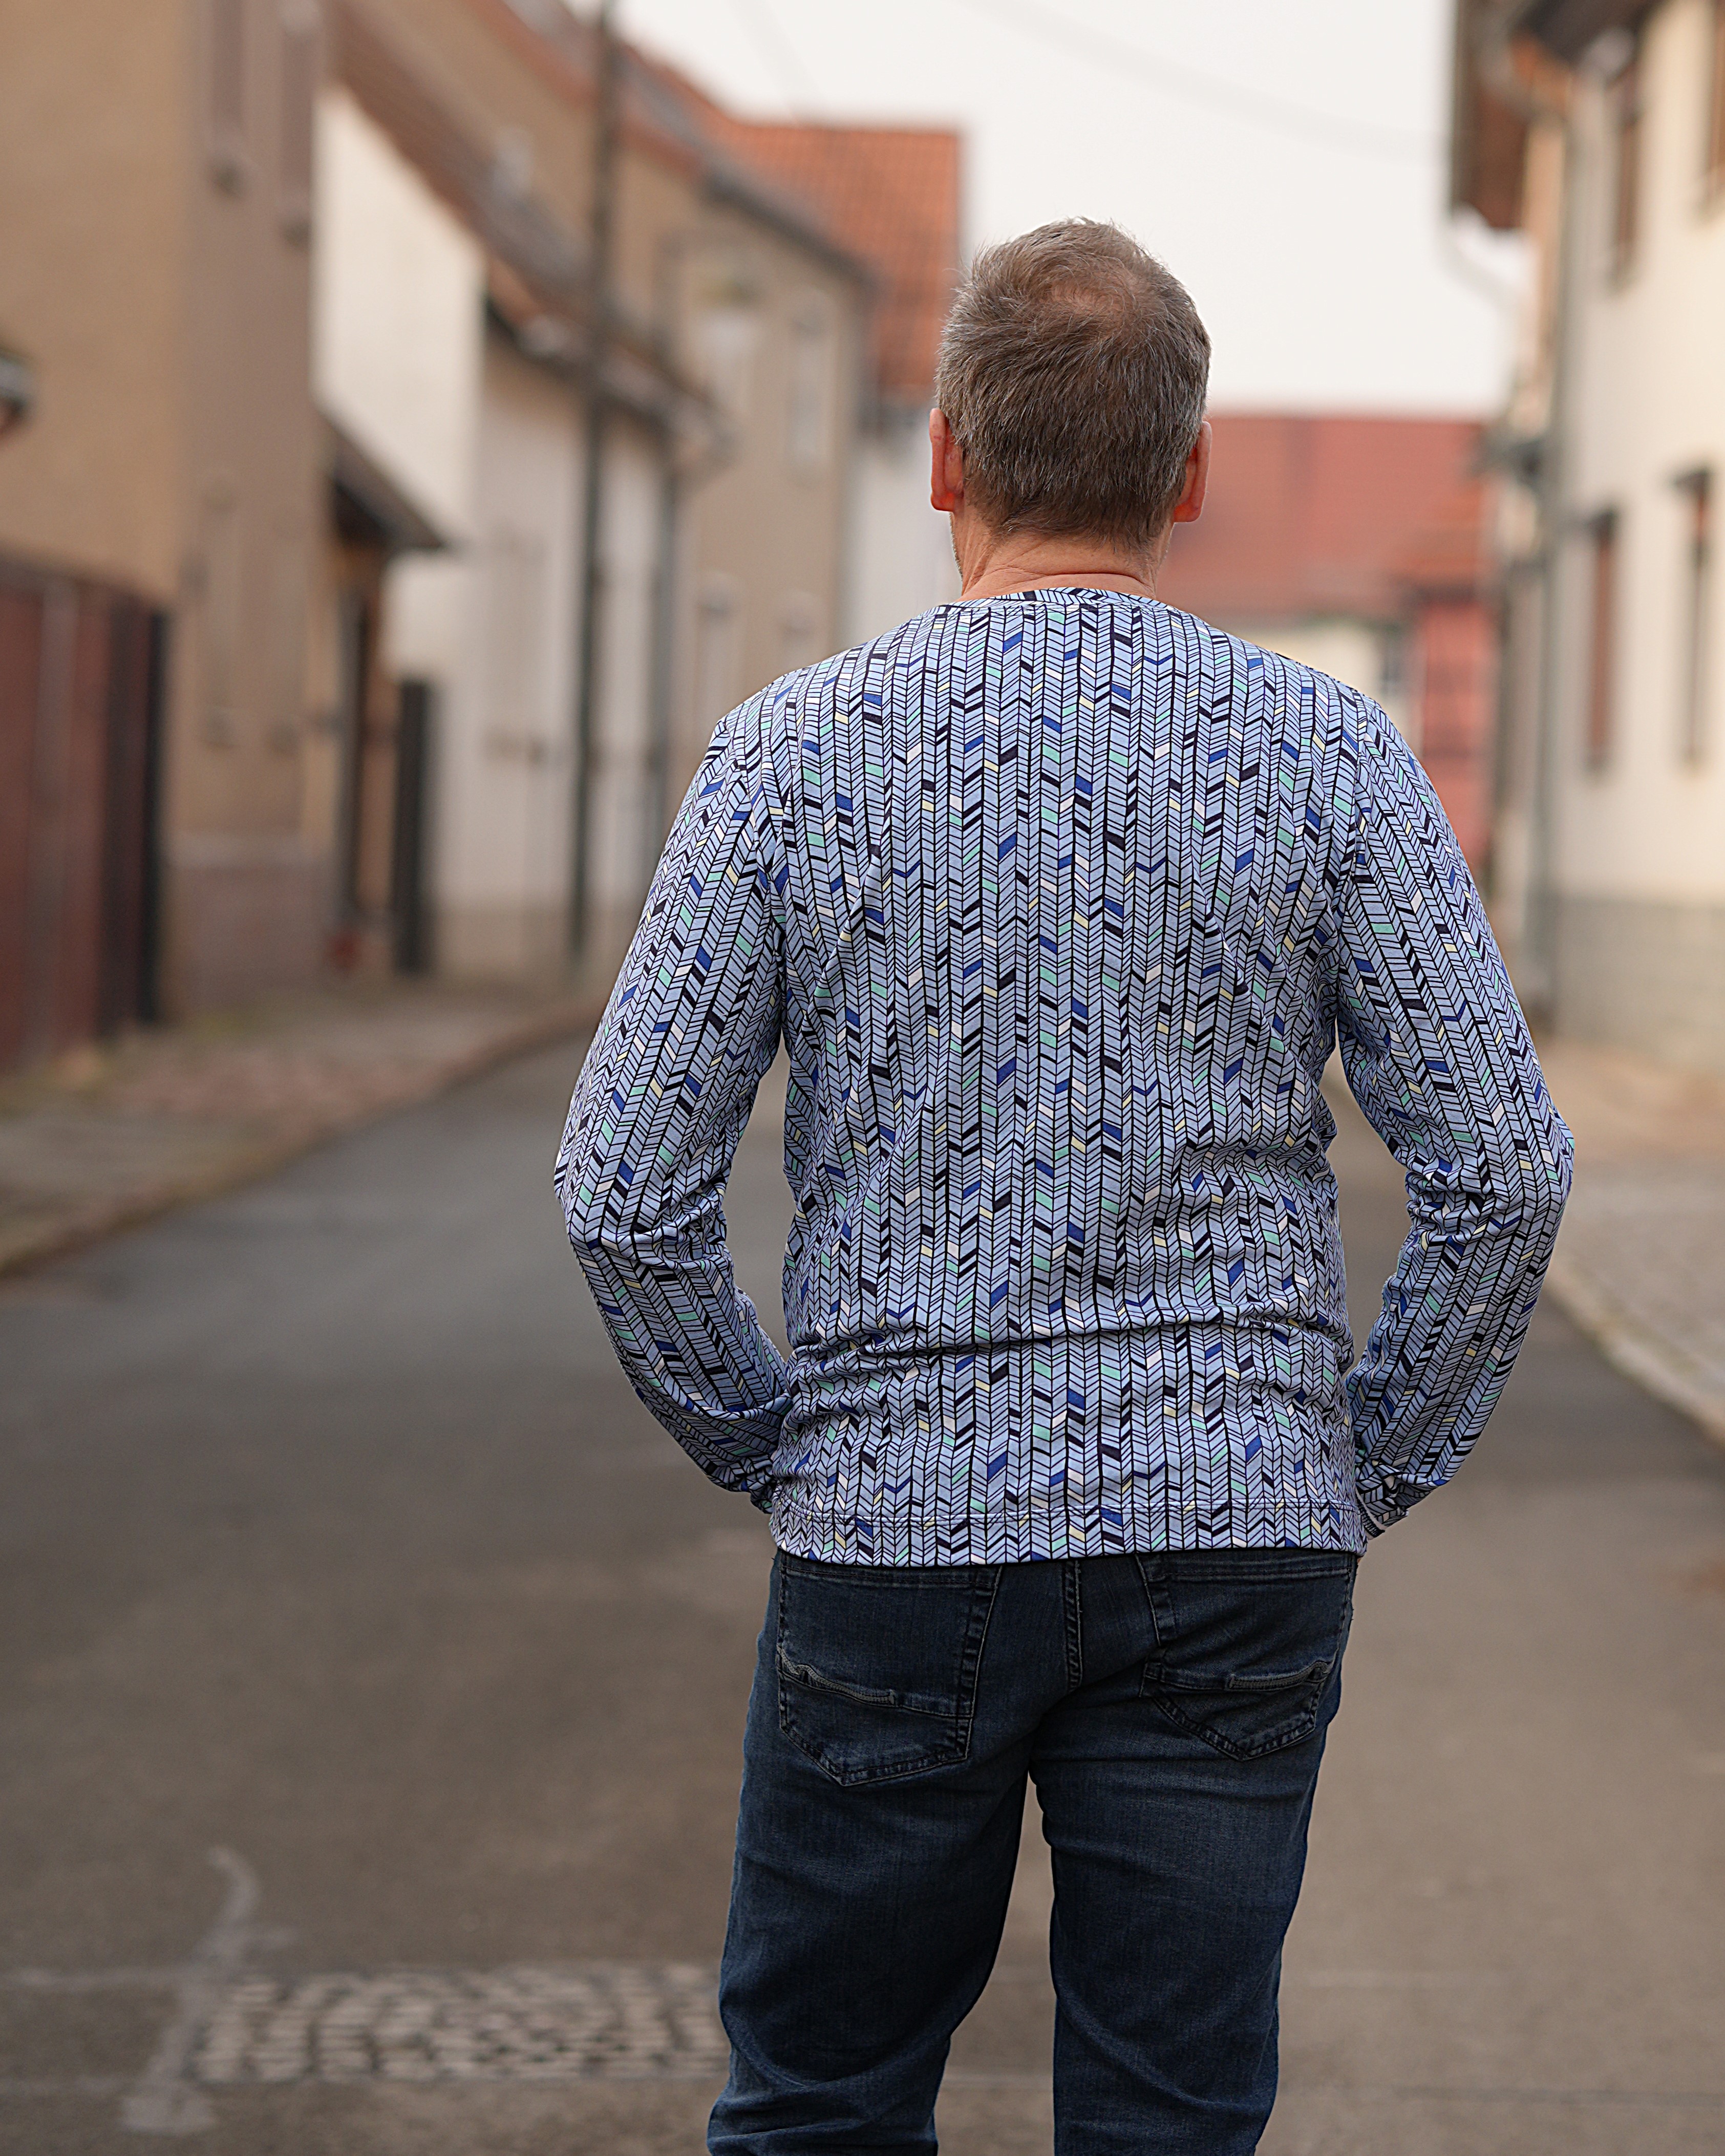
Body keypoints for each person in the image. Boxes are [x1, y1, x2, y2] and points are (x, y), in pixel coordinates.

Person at [557, 219, 1572, 2155]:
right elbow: (1504, 1167)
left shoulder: (788, 757)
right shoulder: (1331, 757)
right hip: (1237, 1532)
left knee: (821, 2109)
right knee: (1169, 2122)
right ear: (1186, 474)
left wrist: (770, 1435)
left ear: (946, 452)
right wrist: (1358, 1454)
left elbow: (621, 1185)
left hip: (892, 1520)